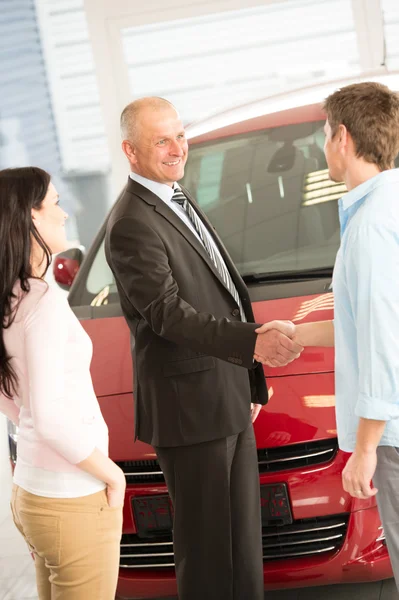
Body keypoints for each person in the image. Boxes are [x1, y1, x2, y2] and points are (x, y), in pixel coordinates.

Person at [105, 97, 303, 600]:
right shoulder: (132, 221)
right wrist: (254, 347)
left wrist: (247, 380)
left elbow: (227, 296)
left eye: (180, 134)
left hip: (225, 395)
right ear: (130, 151)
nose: (177, 148)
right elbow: (168, 314)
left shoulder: (175, 197)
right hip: (189, 410)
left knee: (242, 548)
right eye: (161, 140)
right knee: (210, 555)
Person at [272, 82, 399, 589]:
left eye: (325, 135)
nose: (325, 146)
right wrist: (299, 333)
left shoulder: (370, 227)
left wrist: (365, 448)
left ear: (342, 137)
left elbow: (383, 340)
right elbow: (364, 320)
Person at [0, 167, 126, 600]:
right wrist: (113, 475)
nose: (65, 213)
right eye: (54, 202)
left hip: (33, 491)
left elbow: (9, 393)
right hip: (70, 496)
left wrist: (32, 419)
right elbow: (50, 418)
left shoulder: (11, 295)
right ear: (31, 217)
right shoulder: (44, 302)